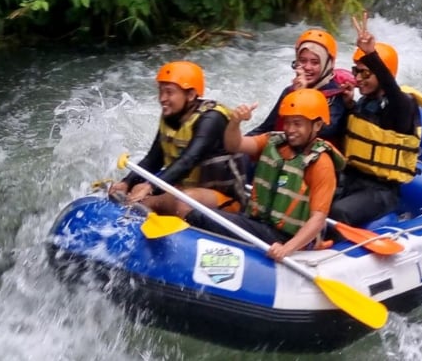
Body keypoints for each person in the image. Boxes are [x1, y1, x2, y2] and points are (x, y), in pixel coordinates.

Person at [180, 89, 346, 261]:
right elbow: (234, 145)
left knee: (199, 216)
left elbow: (318, 219)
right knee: (195, 212)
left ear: (317, 125)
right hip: (258, 223)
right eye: (287, 123)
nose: (290, 129)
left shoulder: (321, 164)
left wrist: (286, 248)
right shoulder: (274, 142)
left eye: (297, 124)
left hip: (286, 237)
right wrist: (235, 122)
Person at [109, 61, 246, 215]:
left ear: (191, 95)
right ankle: (146, 207)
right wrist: (126, 182)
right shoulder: (172, 116)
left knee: (182, 201)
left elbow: (189, 159)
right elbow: (153, 160)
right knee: (136, 187)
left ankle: (147, 207)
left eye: (169, 92)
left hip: (224, 200)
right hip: (187, 190)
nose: (162, 98)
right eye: (160, 91)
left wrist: (151, 188)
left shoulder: (212, 119)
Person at [328, 12, 422, 228]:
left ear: (382, 73)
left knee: (338, 212)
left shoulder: (402, 105)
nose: (359, 79)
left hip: (381, 191)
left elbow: (392, 88)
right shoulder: (362, 103)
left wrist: (371, 53)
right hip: (351, 180)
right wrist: (350, 107)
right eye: (356, 72)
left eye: (366, 73)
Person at [246, 28, 350, 147]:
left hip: (315, 160)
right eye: (302, 61)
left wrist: (302, 96)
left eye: (315, 62)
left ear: (327, 64)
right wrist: (238, 143)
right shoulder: (289, 92)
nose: (307, 67)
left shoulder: (336, 96)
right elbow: (265, 129)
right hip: (283, 156)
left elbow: (325, 131)